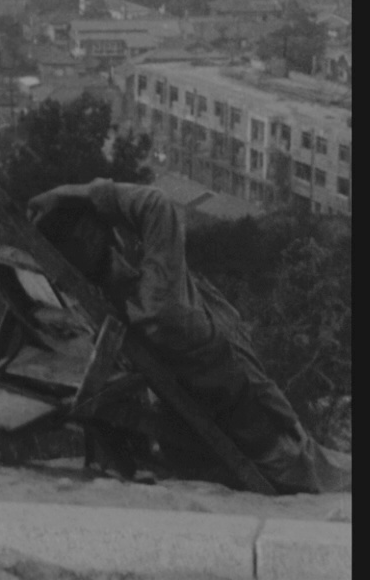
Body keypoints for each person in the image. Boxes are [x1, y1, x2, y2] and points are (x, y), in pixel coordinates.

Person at [29, 179, 352, 494]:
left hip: (238, 443)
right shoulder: (158, 299)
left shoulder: (115, 305)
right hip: (274, 454)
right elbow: (155, 204)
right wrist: (75, 192)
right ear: (90, 235)